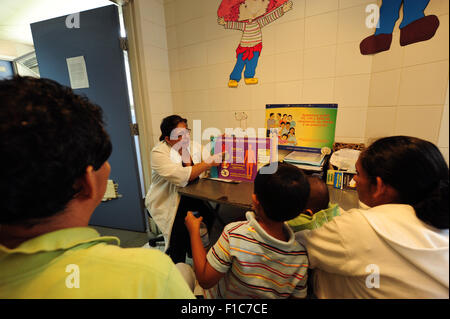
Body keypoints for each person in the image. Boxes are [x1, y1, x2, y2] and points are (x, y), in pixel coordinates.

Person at [0, 76, 195, 298]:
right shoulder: (150, 274)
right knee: (183, 271)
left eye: (186, 131)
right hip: (164, 201)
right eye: (104, 159)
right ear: (88, 182)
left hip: (178, 195)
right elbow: (184, 175)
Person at [296, 136, 449, 298]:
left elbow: (297, 245)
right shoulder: (439, 223)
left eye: (358, 173)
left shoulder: (358, 228)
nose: (354, 179)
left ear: (380, 186)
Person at [185, 162, 310, 299]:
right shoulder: (300, 257)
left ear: (255, 200)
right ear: (299, 212)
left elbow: (204, 279)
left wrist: (194, 232)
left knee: (182, 269)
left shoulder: (234, 234)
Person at [146, 115, 222, 263]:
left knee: (210, 215)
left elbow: (210, 163)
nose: (186, 137)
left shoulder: (193, 146)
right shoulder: (159, 153)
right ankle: (177, 268)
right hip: (167, 200)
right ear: (168, 139)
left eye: (186, 132)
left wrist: (220, 144)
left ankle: (195, 251)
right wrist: (207, 163)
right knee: (178, 232)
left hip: (190, 197)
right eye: (180, 135)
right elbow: (182, 177)